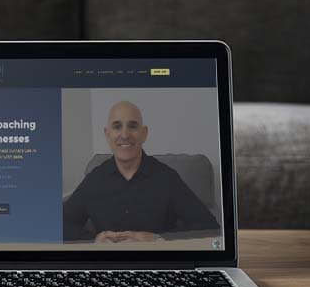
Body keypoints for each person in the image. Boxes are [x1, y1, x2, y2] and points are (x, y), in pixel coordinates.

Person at [63, 101, 219, 242]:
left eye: (132, 126)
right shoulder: (95, 179)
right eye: (117, 126)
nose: (124, 135)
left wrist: (158, 239)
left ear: (144, 133)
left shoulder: (166, 178)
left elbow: (209, 227)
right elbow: (59, 225)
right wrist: (95, 240)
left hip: (156, 264)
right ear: (107, 134)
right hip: (107, 264)